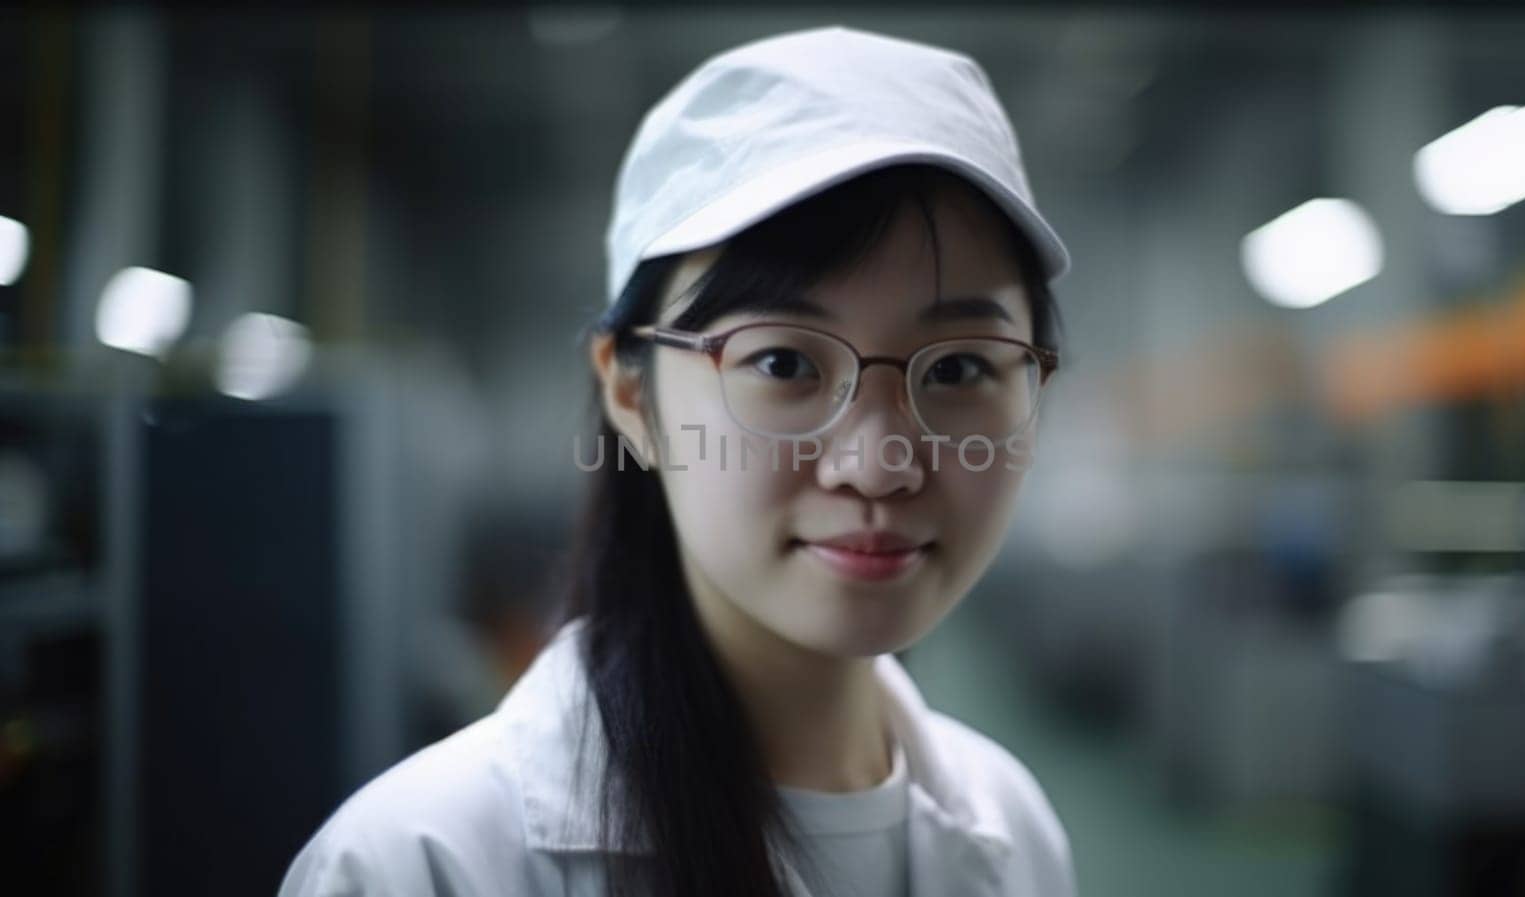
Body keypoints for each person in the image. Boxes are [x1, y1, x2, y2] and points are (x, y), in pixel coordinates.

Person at [279, 24, 1077, 897]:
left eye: (960, 367)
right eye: (784, 364)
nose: (879, 462)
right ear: (632, 396)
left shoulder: (1015, 829)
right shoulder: (422, 864)